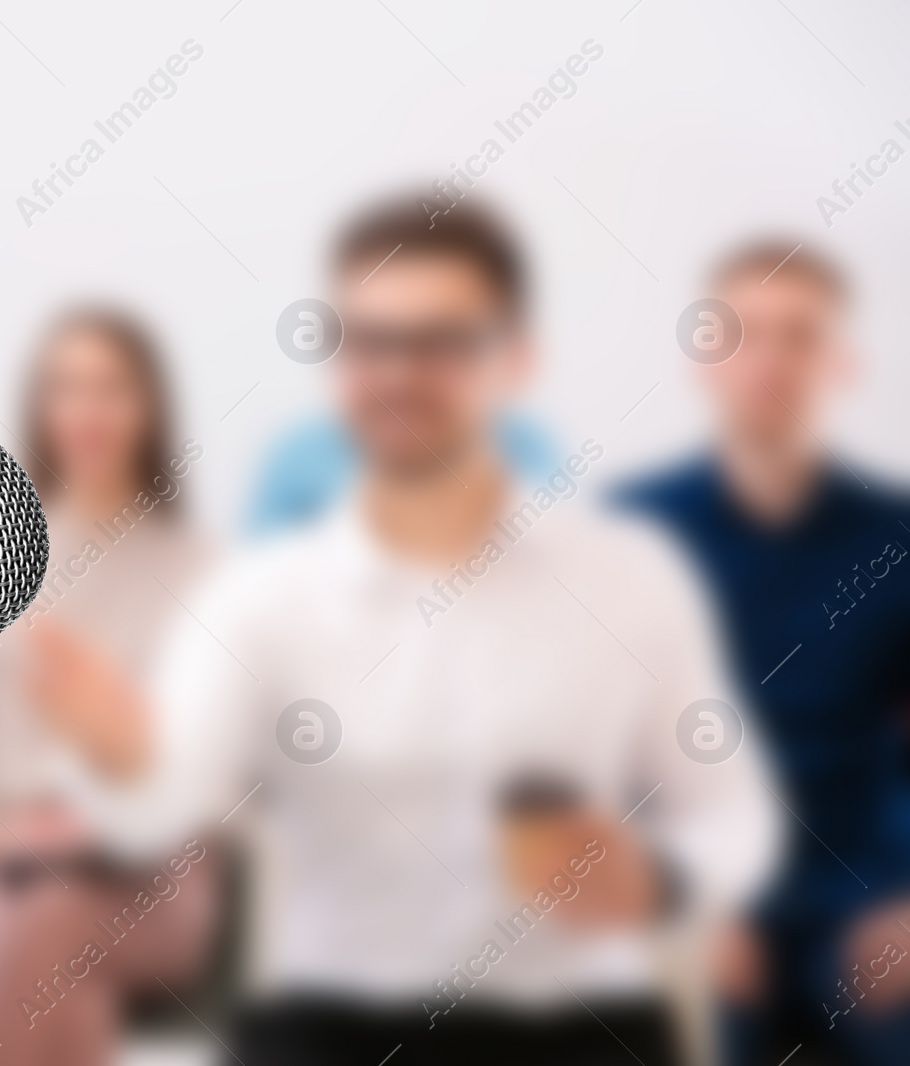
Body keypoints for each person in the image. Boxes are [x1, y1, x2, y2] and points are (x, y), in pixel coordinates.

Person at [78, 197, 780, 1064]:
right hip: (335, 1025)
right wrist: (116, 757)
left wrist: (659, 881)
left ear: (516, 361)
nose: (399, 373)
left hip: (582, 1028)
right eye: (369, 342)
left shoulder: (630, 578)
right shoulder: (258, 599)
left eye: (442, 341)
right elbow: (162, 812)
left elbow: (733, 815)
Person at [620, 242, 910, 1065]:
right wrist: (675, 901)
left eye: (800, 335)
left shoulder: (896, 535)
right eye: (743, 333)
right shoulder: (632, 535)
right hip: (703, 885)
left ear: (840, 360)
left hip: (864, 890)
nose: (771, 360)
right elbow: (601, 751)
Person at [0, 308, 218, 1066]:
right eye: (67, 388)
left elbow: (215, 767)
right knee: (60, 972)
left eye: (111, 387)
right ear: (41, 406)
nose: (88, 411)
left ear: (150, 405)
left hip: (150, 870)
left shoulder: (206, 569)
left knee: (52, 928)